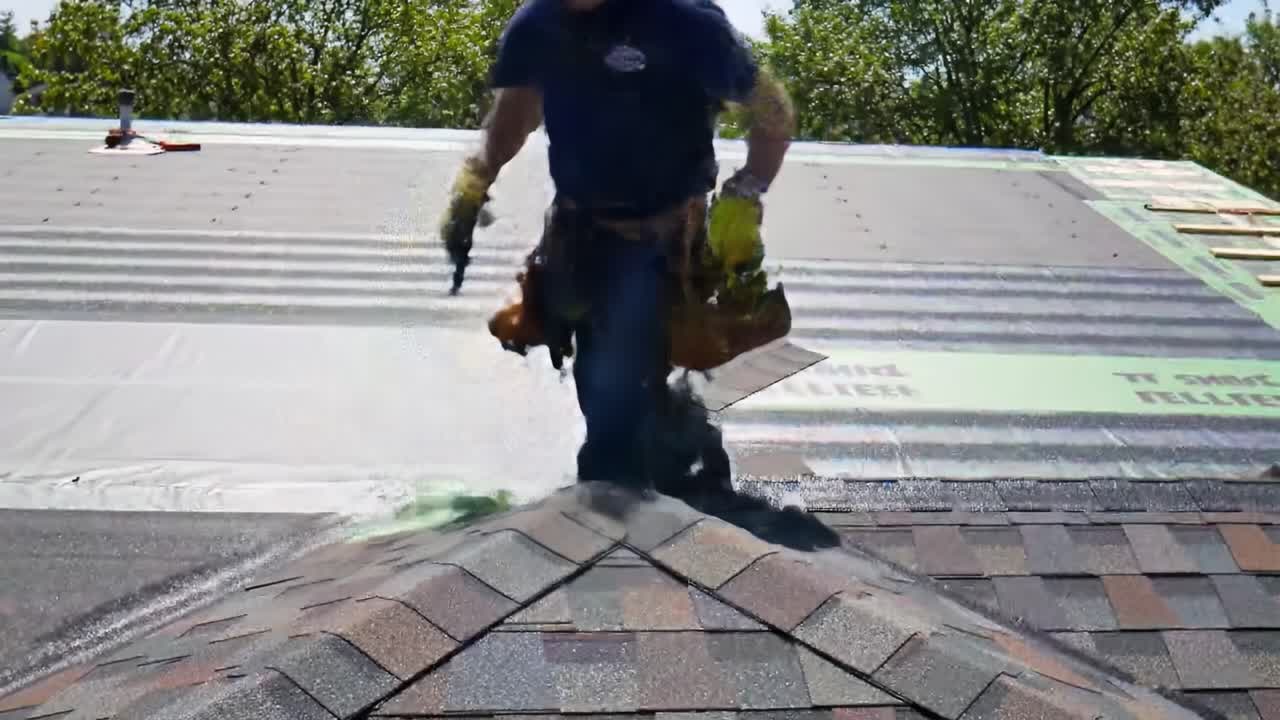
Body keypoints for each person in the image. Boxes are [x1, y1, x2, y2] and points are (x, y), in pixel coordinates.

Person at [439, 0, 795, 490]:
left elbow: (772, 110)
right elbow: (517, 110)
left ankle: (622, 488)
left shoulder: (684, 22)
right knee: (599, 365)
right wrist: (477, 178)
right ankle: (661, 433)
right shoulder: (538, 23)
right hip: (579, 232)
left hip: (663, 233)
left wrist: (747, 190)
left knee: (611, 388)